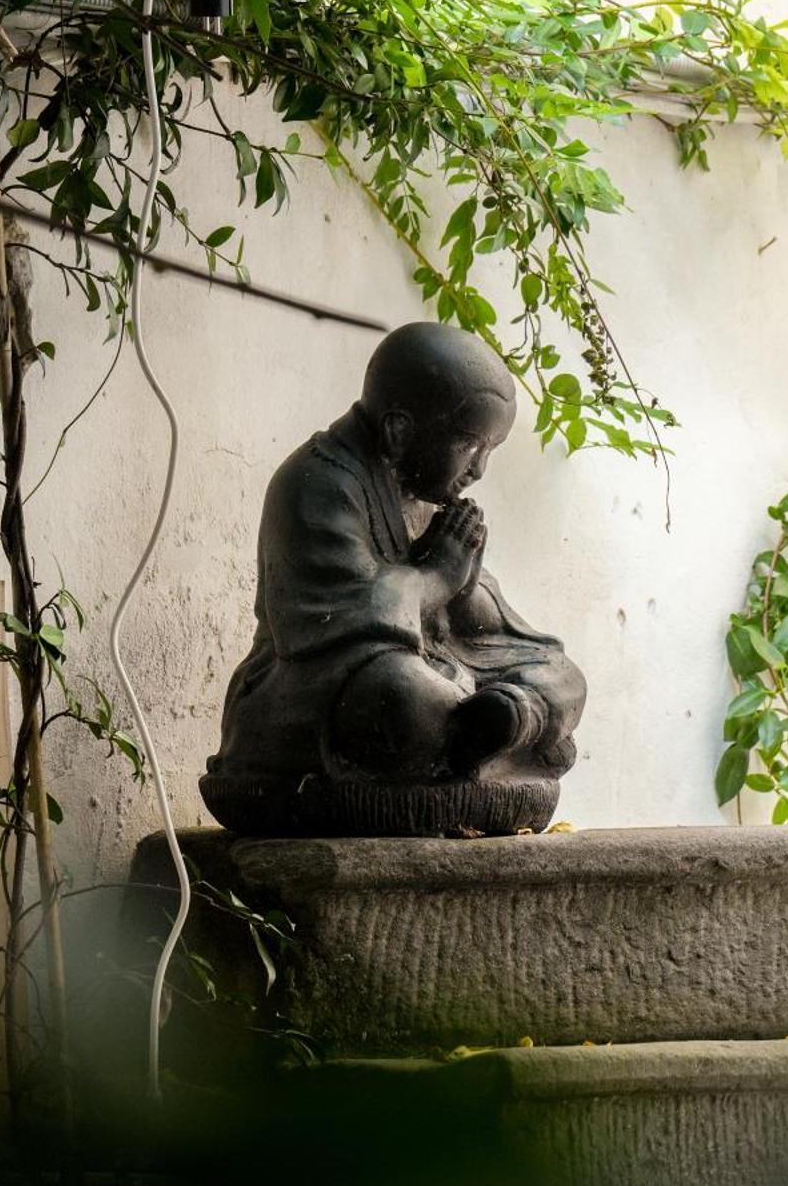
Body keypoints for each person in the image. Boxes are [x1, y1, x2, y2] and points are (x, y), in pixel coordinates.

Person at [200, 322, 586, 836]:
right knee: (399, 696)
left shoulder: (428, 491)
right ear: (400, 430)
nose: (479, 470)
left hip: (440, 671)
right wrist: (436, 575)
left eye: (490, 451)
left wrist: (466, 583)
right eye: (470, 446)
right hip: (313, 689)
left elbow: (475, 627)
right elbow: (333, 624)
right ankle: (499, 727)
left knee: (560, 671)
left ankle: (505, 718)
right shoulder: (316, 481)